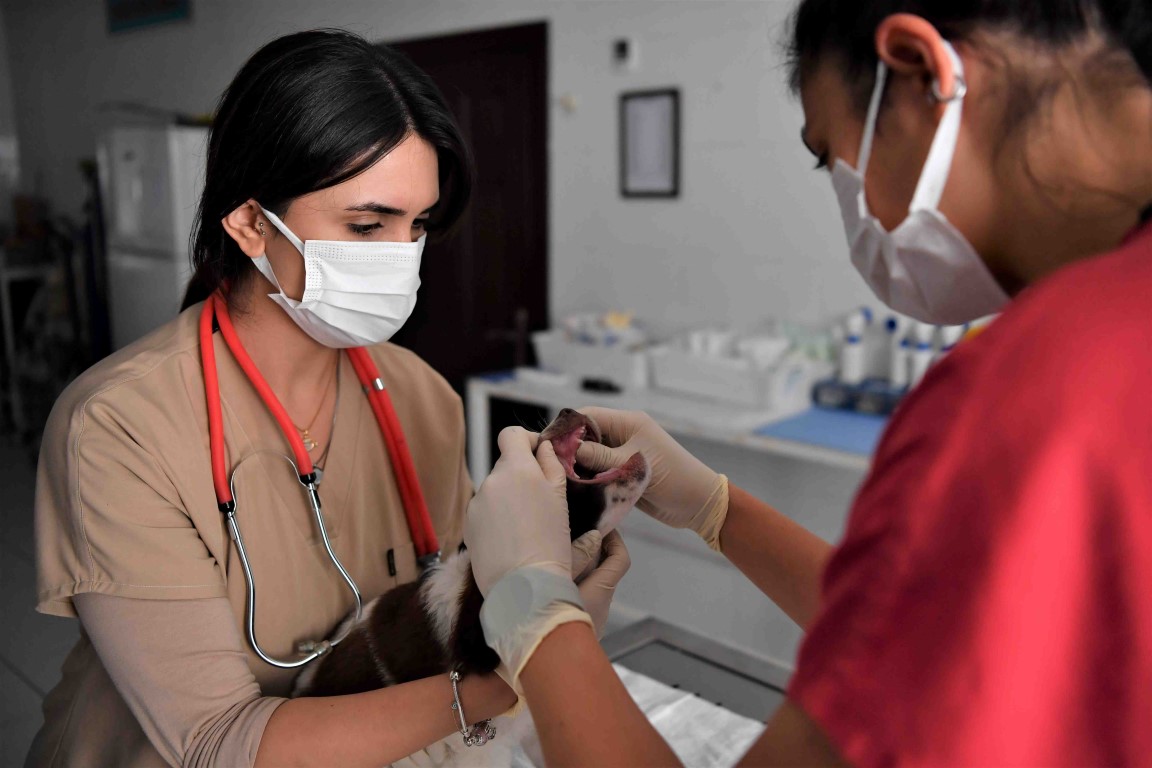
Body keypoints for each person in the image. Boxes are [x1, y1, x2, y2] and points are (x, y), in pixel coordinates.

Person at [464, 0, 1152, 765]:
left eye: (832, 159)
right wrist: (715, 507)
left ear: (919, 69)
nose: (856, 211)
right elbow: (929, 634)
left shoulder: (1037, 389)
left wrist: (534, 608)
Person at [26, 30, 625, 767]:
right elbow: (217, 744)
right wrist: (524, 673)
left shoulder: (421, 398)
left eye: (418, 225)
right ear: (251, 223)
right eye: (368, 225)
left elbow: (437, 619)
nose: (402, 257)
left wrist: (549, 561)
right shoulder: (119, 426)